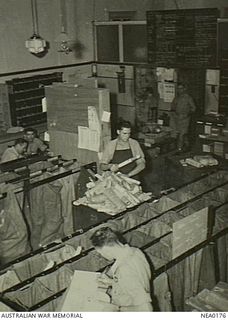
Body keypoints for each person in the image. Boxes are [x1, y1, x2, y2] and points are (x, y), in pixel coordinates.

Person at [90, 226, 153, 312]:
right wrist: (113, 282)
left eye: (100, 252)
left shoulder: (124, 270)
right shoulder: (135, 251)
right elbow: (133, 281)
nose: (101, 255)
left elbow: (146, 309)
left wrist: (116, 309)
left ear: (106, 250)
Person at [171, 83, 196, 152]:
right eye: (178, 88)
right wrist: (174, 114)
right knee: (181, 135)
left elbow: (193, 108)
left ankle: (179, 149)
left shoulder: (188, 98)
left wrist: (187, 114)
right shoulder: (176, 98)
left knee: (182, 135)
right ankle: (187, 146)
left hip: (185, 119)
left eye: (181, 88)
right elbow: (172, 108)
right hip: (177, 119)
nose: (180, 90)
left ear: (184, 89)